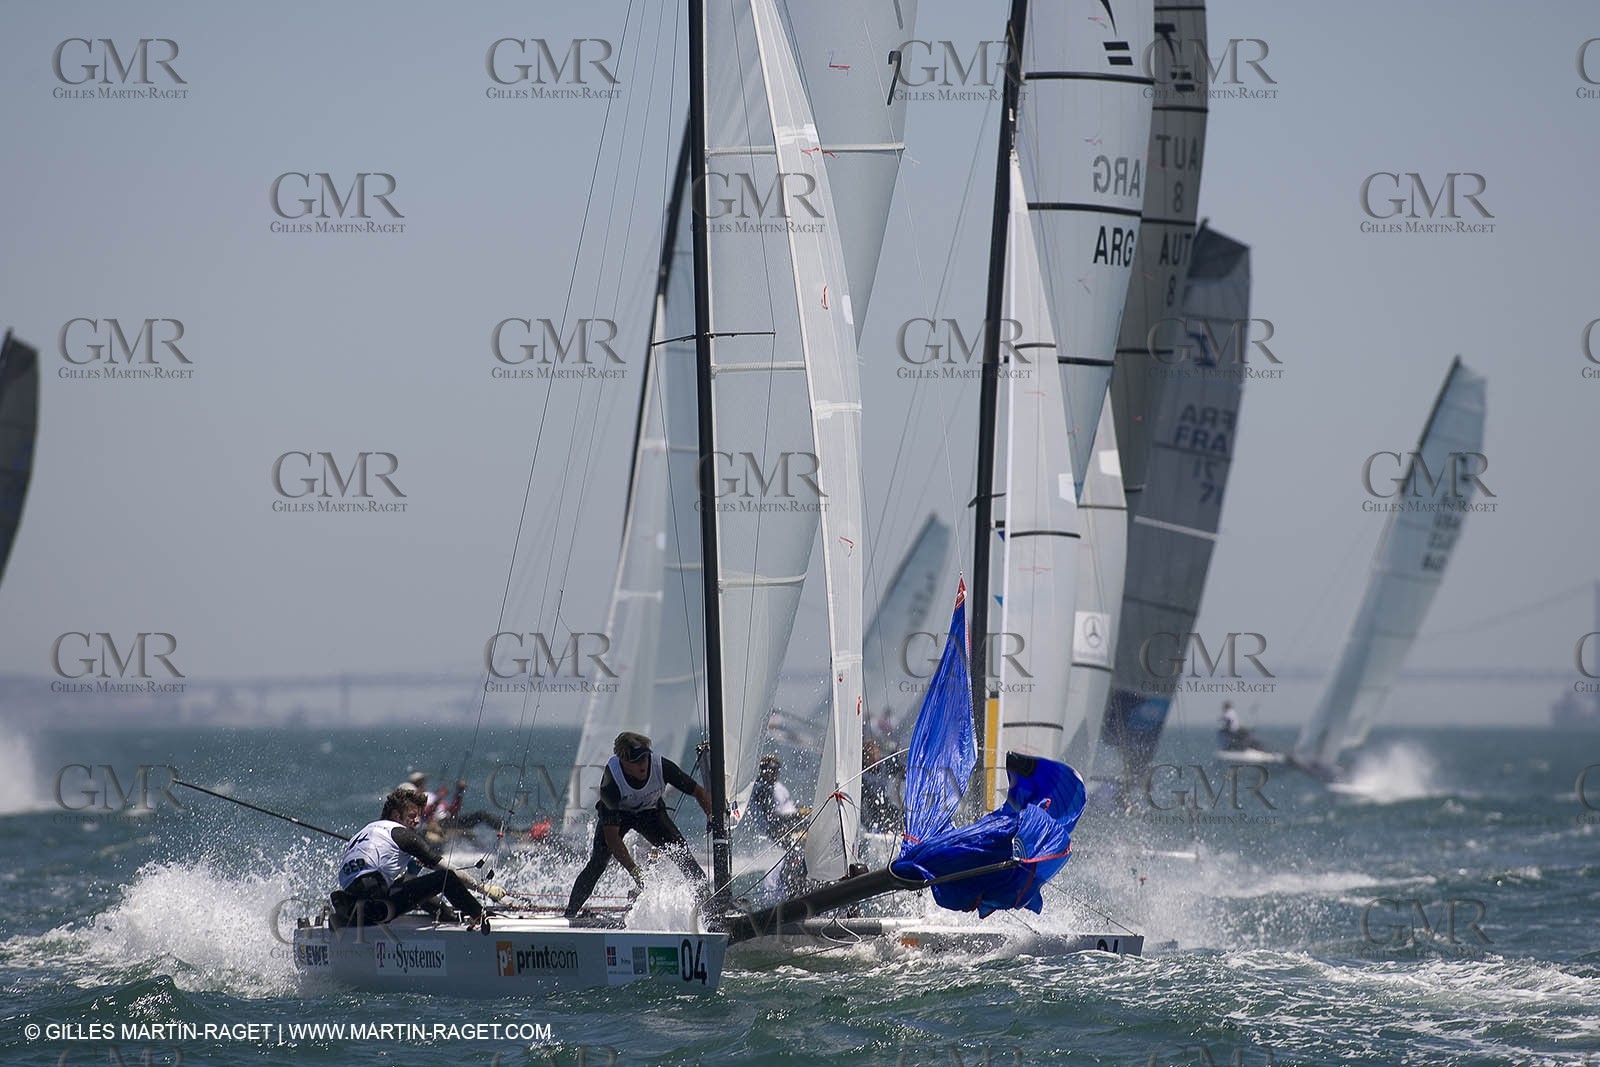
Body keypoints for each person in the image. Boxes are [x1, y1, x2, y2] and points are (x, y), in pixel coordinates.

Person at [563, 732, 713, 920]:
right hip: (619, 815)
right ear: (623, 761)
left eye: (644, 757)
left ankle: (710, 909)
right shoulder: (611, 781)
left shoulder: (661, 766)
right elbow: (612, 838)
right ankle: (570, 914)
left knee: (682, 854)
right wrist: (635, 871)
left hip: (650, 813)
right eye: (636, 760)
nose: (642, 763)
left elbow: (698, 791)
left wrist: (711, 816)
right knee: (598, 862)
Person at [333, 786, 502, 931]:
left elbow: (395, 885)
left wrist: (412, 873)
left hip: (354, 906)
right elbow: (447, 869)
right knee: (446, 878)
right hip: (376, 909)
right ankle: (483, 918)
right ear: (397, 816)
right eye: (412, 816)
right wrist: (482, 888)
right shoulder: (402, 834)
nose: (417, 821)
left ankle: (446, 915)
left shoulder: (366, 832)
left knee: (416, 887)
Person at [745, 753, 799, 840]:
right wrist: (770, 830)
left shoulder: (779, 788)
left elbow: (789, 808)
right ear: (764, 771)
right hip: (772, 830)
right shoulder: (759, 788)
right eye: (773, 770)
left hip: (784, 823)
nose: (776, 773)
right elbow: (756, 813)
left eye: (777, 770)